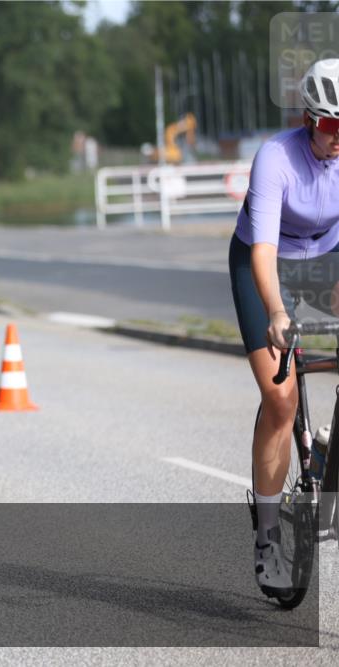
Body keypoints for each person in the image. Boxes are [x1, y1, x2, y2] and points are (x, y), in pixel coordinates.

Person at [229, 58, 339, 595]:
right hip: (267, 261)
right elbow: (264, 251)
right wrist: (277, 311)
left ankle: (328, 449)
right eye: (333, 125)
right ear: (308, 119)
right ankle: (268, 536)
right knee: (280, 399)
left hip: (327, 256)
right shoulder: (276, 158)